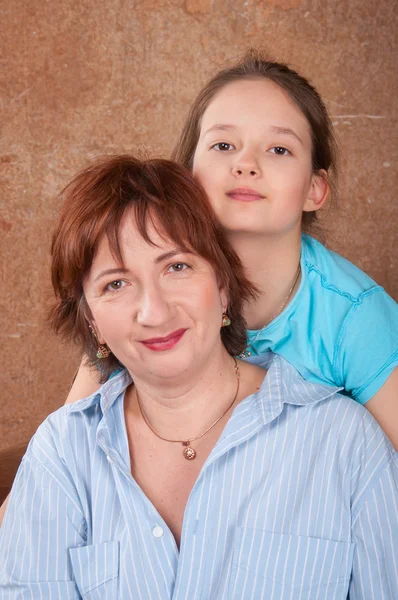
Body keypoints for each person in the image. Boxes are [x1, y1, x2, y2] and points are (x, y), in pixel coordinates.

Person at [0, 156, 397, 598]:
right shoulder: (61, 455)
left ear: (224, 286)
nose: (155, 311)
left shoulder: (346, 443)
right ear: (92, 323)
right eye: (115, 284)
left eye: (177, 267)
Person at [66, 50, 398, 448]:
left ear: (315, 188)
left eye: (279, 149)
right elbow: (64, 439)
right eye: (223, 145)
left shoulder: (354, 319)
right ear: (187, 174)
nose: (245, 164)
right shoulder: (147, 294)